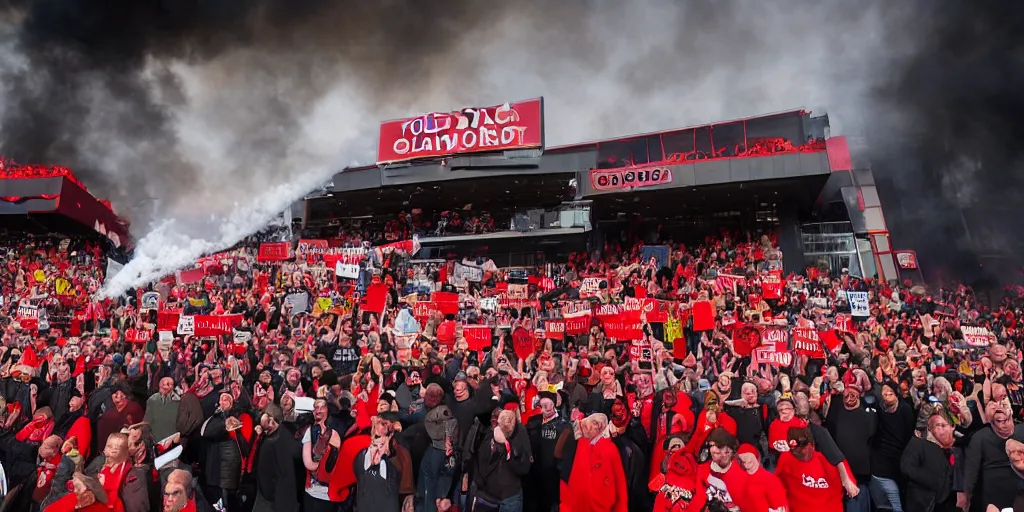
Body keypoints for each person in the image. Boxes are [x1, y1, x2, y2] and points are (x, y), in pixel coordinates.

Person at [562, 413, 627, 512]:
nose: (595, 426)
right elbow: (564, 475)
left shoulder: (610, 449)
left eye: (599, 425)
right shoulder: (577, 444)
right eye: (594, 422)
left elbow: (620, 483)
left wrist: (621, 508)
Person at [965, 405, 1024, 511]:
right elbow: (971, 472)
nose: (997, 407)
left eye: (1000, 406)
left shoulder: (1021, 430)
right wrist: (967, 498)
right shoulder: (980, 437)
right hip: (994, 493)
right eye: (992, 407)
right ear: (988, 419)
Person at [901, 412, 963, 512]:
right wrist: (934, 481)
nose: (942, 429)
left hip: (949, 502)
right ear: (930, 428)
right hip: (923, 501)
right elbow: (907, 467)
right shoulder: (918, 443)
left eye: (945, 425)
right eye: (938, 425)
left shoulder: (958, 449)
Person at [472, 409, 531, 512]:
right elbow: (479, 463)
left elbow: (524, 468)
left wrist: (508, 452)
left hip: (510, 497)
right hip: (488, 496)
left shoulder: (520, 433)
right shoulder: (488, 435)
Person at [775, 426, 843, 512]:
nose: (801, 452)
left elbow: (837, 492)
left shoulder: (825, 460)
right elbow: (778, 485)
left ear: (811, 444)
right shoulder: (786, 458)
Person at [250, 404, 299, 512]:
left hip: (274, 500)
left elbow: (282, 472)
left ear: (272, 421)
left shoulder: (279, 441)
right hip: (269, 495)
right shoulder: (275, 435)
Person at [736, 443, 789, 512]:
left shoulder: (770, 480)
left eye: (749, 462)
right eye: (744, 462)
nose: (746, 465)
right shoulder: (738, 479)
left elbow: (781, 507)